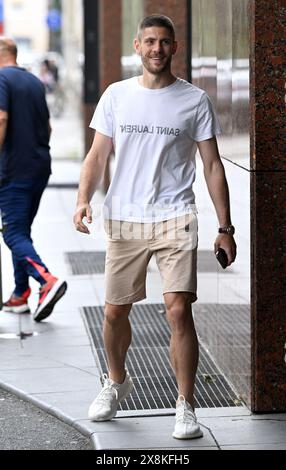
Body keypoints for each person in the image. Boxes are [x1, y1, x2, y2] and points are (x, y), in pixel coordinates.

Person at [73, 15, 236, 440]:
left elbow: (213, 164)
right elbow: (97, 155)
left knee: (179, 309)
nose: (157, 49)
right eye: (150, 41)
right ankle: (116, 380)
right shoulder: (116, 95)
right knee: (113, 311)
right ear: (137, 46)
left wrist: (226, 227)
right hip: (125, 216)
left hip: (175, 216)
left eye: (164, 42)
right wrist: (82, 199)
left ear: (175, 48)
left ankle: (185, 404)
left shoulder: (194, 100)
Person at [0, 38, 67, 322]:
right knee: (21, 230)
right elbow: (48, 126)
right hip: (39, 167)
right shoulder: (33, 82)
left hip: (14, 171)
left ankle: (46, 280)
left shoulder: (2, 78)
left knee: (12, 233)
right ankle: (19, 294)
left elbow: (1, 118)